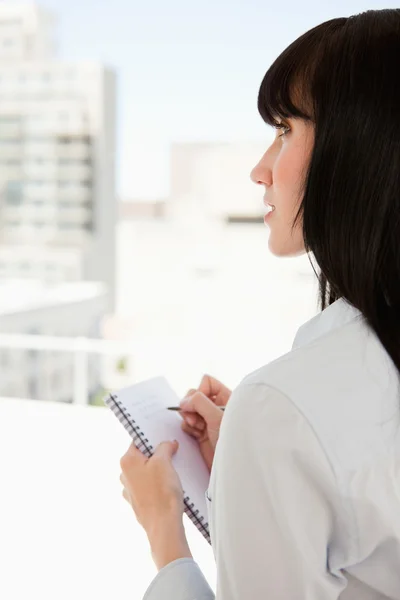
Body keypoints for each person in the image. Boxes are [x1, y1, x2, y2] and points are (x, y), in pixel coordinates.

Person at [118, 8, 400, 599]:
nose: (260, 169)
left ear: (361, 145)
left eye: (285, 130)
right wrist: (251, 473)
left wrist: (165, 537)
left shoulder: (283, 405)